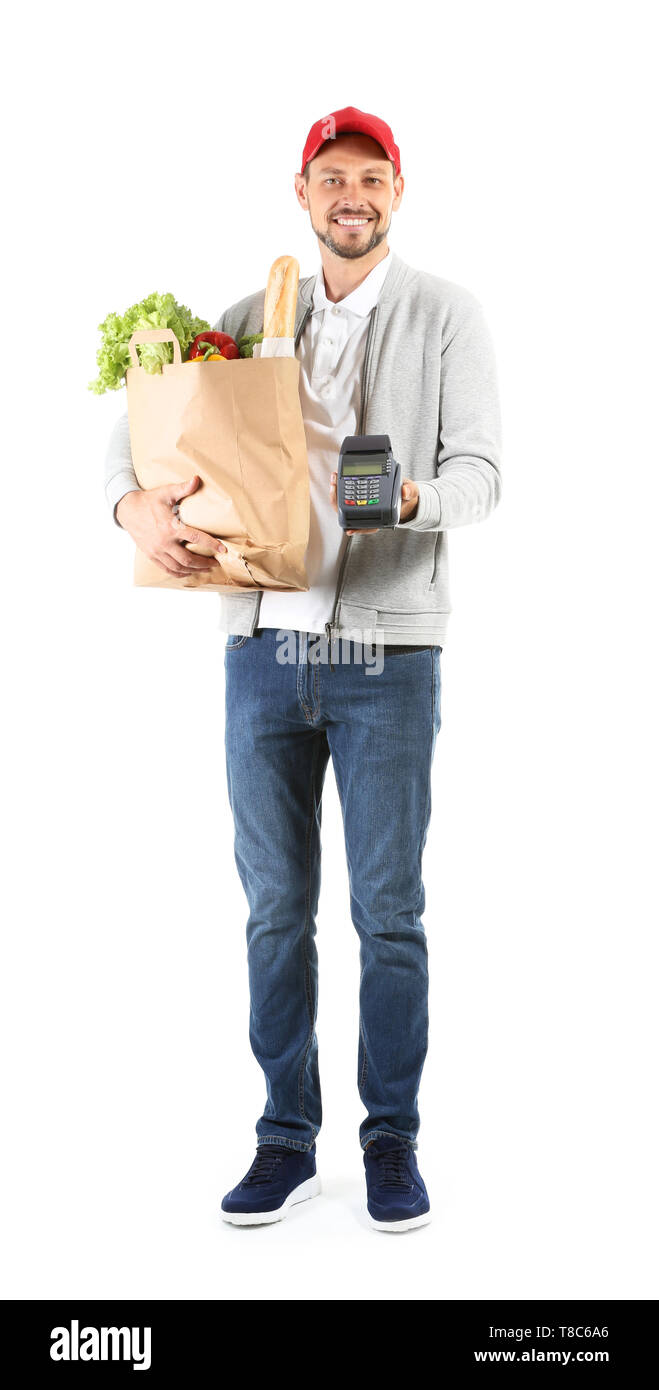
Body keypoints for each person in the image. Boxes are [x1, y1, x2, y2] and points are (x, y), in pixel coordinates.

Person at [104, 106, 503, 1232]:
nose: (351, 196)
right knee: (274, 911)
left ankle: (389, 1140)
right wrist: (132, 504)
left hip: (387, 656)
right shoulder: (242, 318)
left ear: (396, 190)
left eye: (369, 178)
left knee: (389, 913)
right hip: (263, 654)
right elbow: (133, 429)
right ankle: (285, 1133)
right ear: (300, 190)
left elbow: (483, 470)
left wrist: (413, 497)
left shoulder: (444, 317)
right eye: (332, 177)